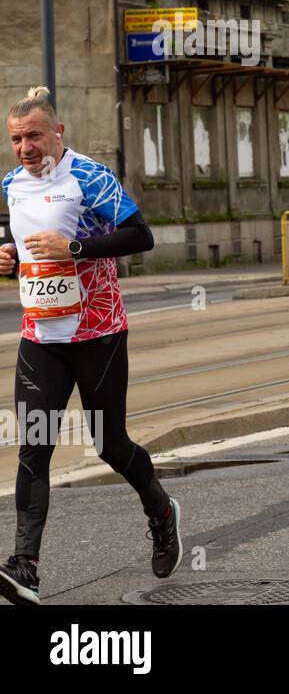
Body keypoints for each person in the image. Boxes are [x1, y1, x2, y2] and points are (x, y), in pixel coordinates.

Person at [0, 87, 181, 607]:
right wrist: (7, 254)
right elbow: (17, 235)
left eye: (34, 135)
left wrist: (74, 246)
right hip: (41, 337)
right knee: (34, 446)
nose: (25, 147)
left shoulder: (89, 178)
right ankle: (25, 567)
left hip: (97, 333)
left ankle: (161, 512)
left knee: (110, 445)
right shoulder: (12, 184)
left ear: (58, 133)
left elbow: (140, 236)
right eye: (16, 139)